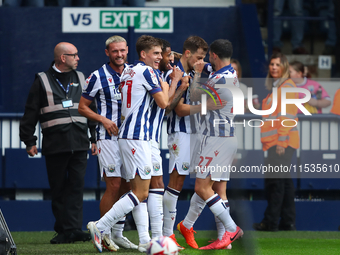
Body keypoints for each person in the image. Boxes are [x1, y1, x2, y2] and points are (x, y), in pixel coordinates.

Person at [87, 35, 169, 253]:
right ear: (143, 54)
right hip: (137, 137)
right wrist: (167, 84)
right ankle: (101, 227)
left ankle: (143, 239)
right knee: (140, 192)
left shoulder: (129, 71)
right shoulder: (147, 71)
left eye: (161, 54)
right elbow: (164, 103)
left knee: (132, 189)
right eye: (156, 53)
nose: (159, 58)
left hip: (128, 136)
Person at [19, 42, 94, 244]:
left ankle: (74, 229)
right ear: (63, 58)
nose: (78, 58)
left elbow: (90, 109)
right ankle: (63, 230)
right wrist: (29, 141)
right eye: (74, 55)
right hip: (56, 144)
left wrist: (94, 138)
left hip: (79, 142)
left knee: (77, 188)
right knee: (59, 188)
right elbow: (30, 113)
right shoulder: (42, 80)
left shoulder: (81, 77)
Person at [178, 39, 243, 250]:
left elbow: (195, 96)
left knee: (202, 186)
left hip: (215, 138)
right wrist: (200, 65)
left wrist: (195, 74)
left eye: (208, 57)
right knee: (217, 188)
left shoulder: (218, 81)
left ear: (213, 54)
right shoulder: (230, 73)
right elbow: (209, 68)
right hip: (228, 138)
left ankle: (231, 229)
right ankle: (216, 236)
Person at [78, 35, 138, 251]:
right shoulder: (97, 76)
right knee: (113, 185)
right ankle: (102, 233)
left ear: (127, 50)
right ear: (107, 53)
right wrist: (103, 119)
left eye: (122, 51)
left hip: (132, 137)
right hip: (108, 138)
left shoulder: (135, 72)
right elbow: (82, 107)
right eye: (115, 51)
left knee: (129, 186)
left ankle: (118, 233)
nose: (119, 55)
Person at [146, 38, 187, 240]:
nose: (169, 58)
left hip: (150, 137)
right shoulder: (155, 75)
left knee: (153, 187)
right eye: (165, 54)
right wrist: (180, 85)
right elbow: (168, 106)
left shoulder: (162, 73)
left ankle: (159, 237)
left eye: (171, 54)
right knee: (150, 187)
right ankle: (162, 236)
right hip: (143, 137)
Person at [253, 52, 299, 231]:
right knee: (284, 183)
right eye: (272, 64)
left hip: (281, 142)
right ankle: (288, 222)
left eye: (277, 65)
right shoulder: (280, 88)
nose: (273, 67)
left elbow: (287, 116)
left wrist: (281, 140)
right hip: (279, 141)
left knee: (275, 183)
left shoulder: (286, 87)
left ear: (285, 67)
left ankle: (270, 222)